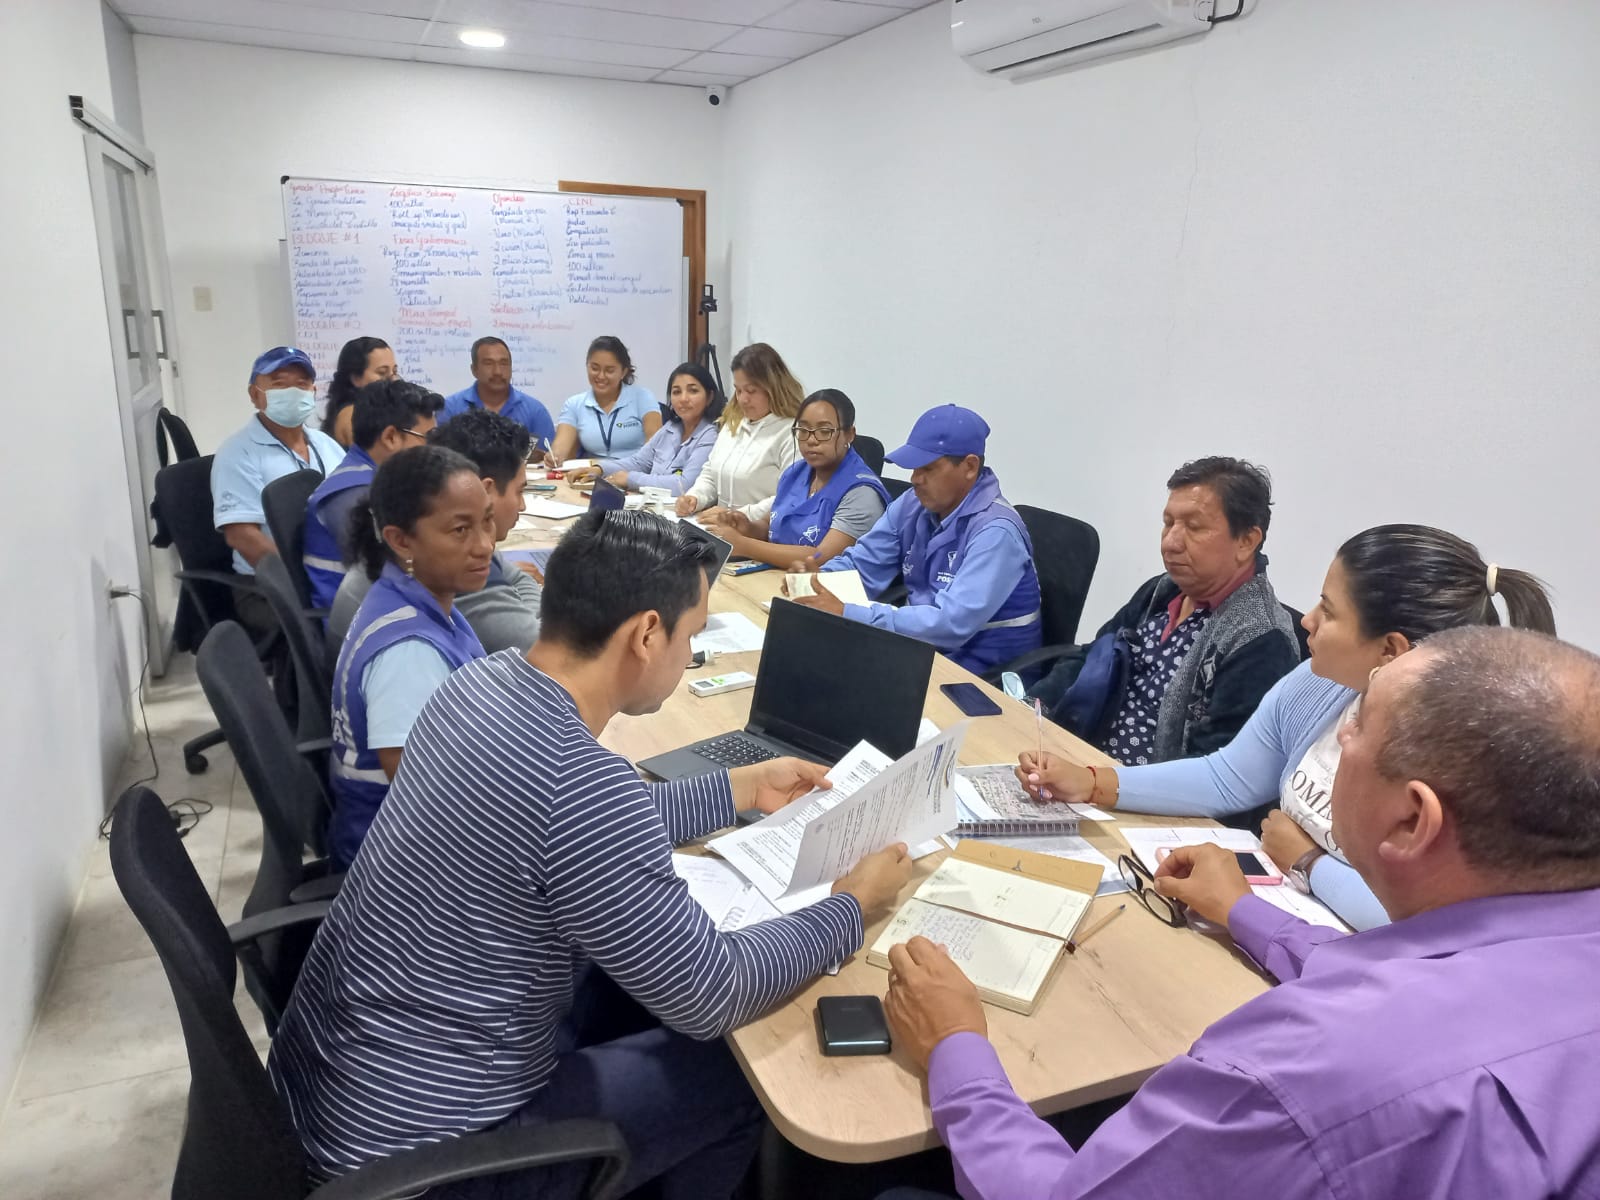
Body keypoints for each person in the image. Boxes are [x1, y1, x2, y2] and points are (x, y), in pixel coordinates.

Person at [270, 509, 914, 1198]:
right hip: (424, 1161)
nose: (688, 655)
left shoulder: (477, 685)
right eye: (690, 637)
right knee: (742, 1074)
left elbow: (570, 829)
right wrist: (851, 906)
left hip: (334, 1093)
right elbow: (713, 993)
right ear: (646, 634)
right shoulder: (579, 786)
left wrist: (738, 789)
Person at [883, 625, 1600, 1200]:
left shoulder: (1296, 1072)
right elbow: (1407, 979)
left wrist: (956, 1049)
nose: (1338, 739)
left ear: (1413, 821)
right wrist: (1243, 911)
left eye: (1355, 727)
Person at [1019, 525, 1556, 931]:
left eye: (1330, 610)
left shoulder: (1461, 766)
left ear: (1390, 651)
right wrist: (1094, 782)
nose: (1307, 621)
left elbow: (1427, 921)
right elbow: (1228, 776)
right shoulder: (1322, 683)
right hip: (1272, 925)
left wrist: (1308, 860)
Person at [1031, 457, 1300, 767]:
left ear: (1246, 541)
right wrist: (1031, 708)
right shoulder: (1164, 590)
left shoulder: (1261, 641)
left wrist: (1099, 783)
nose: (1170, 543)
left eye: (1194, 527)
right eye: (1169, 523)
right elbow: (1091, 656)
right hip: (1075, 756)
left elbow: (1214, 772)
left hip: (1134, 790)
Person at [325, 445, 494, 868]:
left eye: (487, 521)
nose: (485, 545)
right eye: (461, 530)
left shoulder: (415, 599)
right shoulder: (407, 654)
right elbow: (427, 804)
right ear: (401, 541)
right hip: (401, 869)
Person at [789, 405, 1040, 676]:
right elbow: (863, 565)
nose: (915, 479)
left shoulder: (996, 533)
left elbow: (949, 624)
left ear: (969, 467)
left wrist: (848, 613)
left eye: (928, 468)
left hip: (981, 676)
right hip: (920, 652)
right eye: (914, 467)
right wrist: (819, 579)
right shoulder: (913, 504)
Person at [327, 408, 542, 657]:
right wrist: (534, 612)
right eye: (519, 491)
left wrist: (523, 607)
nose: (484, 547)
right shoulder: (446, 565)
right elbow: (543, 650)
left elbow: (520, 580)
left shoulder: (440, 532)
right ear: (485, 490)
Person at [212, 346, 344, 630]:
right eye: (280, 384)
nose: (293, 392)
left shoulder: (326, 444)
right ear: (254, 394)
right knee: (345, 628)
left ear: (313, 391)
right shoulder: (238, 453)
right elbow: (242, 536)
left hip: (330, 574)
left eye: (301, 384)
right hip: (266, 588)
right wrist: (302, 581)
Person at [708, 389, 889, 569]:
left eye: (824, 431)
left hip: (821, 583)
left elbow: (821, 558)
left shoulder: (862, 493)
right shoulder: (795, 473)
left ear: (849, 434)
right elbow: (770, 525)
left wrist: (744, 545)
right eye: (803, 430)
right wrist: (748, 528)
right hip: (775, 575)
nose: (811, 440)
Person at [302, 378, 442, 609]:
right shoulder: (351, 497)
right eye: (428, 437)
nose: (433, 449)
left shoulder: (383, 481)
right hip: (356, 618)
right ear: (390, 437)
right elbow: (393, 569)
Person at [675, 342, 803, 521]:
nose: (743, 399)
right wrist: (695, 497)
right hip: (720, 526)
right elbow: (711, 474)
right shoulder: (733, 423)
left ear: (773, 388)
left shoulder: (792, 433)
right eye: (738, 390)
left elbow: (789, 497)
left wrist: (736, 516)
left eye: (751, 391)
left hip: (760, 531)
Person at [567, 362, 721, 497]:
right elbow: (638, 462)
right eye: (676, 392)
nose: (683, 399)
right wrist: (600, 469)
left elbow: (684, 485)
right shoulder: (671, 428)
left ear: (709, 397)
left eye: (693, 391)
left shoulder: (711, 435)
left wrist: (630, 479)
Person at [547, 335, 660, 464]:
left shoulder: (643, 397)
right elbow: (561, 446)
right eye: (594, 368)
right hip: (589, 473)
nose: (601, 376)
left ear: (623, 372)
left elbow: (655, 446)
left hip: (634, 471)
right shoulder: (574, 404)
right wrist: (554, 456)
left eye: (609, 371)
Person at [441, 335, 556, 450]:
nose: (498, 372)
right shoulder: (450, 409)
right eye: (488, 363)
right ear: (474, 370)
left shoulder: (535, 411)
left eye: (504, 363)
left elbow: (548, 457)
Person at [322, 336, 397, 448]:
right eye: (382, 372)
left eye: (395, 372)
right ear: (356, 378)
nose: (393, 379)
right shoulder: (352, 416)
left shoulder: (379, 410)